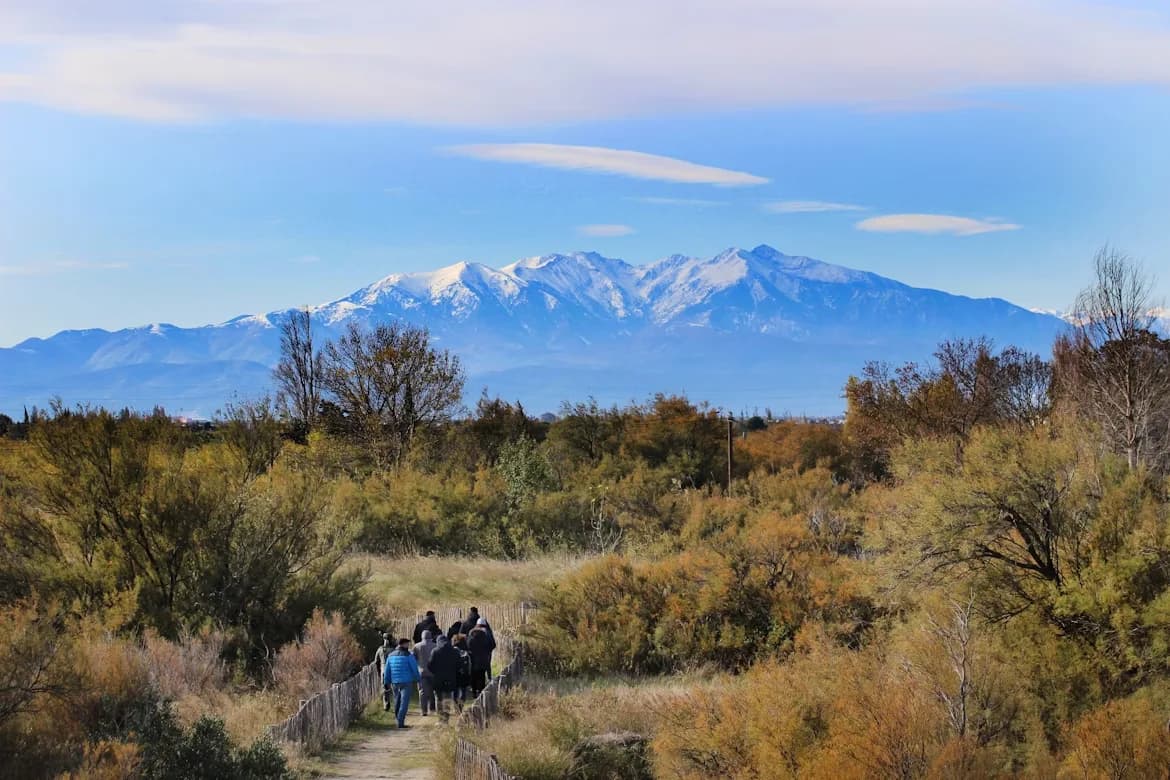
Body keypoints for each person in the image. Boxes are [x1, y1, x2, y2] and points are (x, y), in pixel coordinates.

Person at [383, 637, 420, 729]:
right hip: (406, 681)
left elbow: (387, 670)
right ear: (403, 644)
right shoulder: (408, 655)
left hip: (395, 682)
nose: (408, 645)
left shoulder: (390, 656)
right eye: (407, 644)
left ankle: (397, 718)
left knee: (397, 700)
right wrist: (418, 678)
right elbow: (414, 668)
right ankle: (400, 721)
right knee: (404, 702)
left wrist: (386, 681)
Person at [427, 634, 461, 717]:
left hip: (438, 678)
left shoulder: (435, 651)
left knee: (438, 698)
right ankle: (446, 717)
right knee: (448, 698)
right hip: (451, 678)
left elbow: (429, 665)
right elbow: (459, 665)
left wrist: (435, 672)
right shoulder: (455, 651)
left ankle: (440, 717)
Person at [467, 619, 496, 697]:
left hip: (473, 659)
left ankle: (474, 692)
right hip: (483, 658)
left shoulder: (470, 635)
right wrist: (487, 652)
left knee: (474, 675)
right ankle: (481, 692)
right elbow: (492, 644)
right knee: (481, 675)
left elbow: (467, 646)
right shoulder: (486, 635)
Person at [412, 630, 437, 716]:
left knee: (422, 692)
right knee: (433, 691)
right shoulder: (435, 645)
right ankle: (433, 708)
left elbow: (413, 659)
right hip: (433, 672)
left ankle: (424, 710)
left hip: (421, 671)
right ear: (431, 636)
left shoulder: (416, 646)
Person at [374, 633, 394, 711]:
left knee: (385, 687)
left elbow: (376, 661)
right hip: (392, 670)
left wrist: (378, 671)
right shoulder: (393, 650)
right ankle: (397, 704)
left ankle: (386, 704)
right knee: (394, 687)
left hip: (383, 669)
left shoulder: (380, 649)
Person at [453, 633, 473, 704]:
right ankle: (461, 706)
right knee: (463, 690)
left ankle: (456, 704)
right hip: (464, 674)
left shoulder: (453, 650)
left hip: (455, 674)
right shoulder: (466, 652)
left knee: (455, 691)